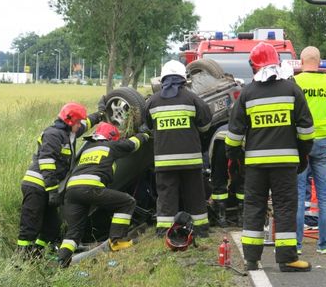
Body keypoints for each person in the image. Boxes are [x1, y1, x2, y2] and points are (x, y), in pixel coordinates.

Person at [225, 42, 314, 272]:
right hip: (285, 164)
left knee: (254, 207)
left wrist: (238, 160)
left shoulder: (246, 94)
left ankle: (251, 260)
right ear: (276, 63)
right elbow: (306, 130)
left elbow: (233, 136)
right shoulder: (292, 90)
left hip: (255, 166)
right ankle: (287, 259)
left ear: (254, 66)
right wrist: (302, 156)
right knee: (285, 207)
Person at [16, 100, 105, 259]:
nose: (80, 125)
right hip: (36, 185)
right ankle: (21, 257)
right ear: (70, 122)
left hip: (47, 188)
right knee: (30, 224)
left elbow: (86, 123)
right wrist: (52, 191)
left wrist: (99, 114)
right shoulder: (53, 134)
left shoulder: (69, 133)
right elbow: (47, 161)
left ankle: (36, 254)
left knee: (52, 227)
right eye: (78, 122)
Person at [56, 122, 149, 267]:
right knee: (127, 202)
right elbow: (132, 145)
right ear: (110, 137)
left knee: (74, 232)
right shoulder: (110, 146)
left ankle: (62, 261)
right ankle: (117, 241)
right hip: (90, 188)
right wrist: (144, 134)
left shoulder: (87, 151)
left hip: (71, 192)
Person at [145, 60, 213, 238]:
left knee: (166, 197)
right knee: (195, 195)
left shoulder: (152, 102)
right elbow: (206, 124)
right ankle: (200, 230)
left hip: (164, 162)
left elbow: (148, 126)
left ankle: (165, 232)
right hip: (191, 161)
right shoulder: (192, 99)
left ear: (163, 79)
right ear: (183, 79)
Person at [294, 46, 326, 255]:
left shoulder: (295, 82)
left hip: (300, 143)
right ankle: (325, 245)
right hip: (324, 142)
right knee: (324, 194)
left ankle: (296, 245)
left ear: (301, 60)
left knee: (297, 194)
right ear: (319, 61)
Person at [209, 126, 245, 227]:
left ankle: (221, 217)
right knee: (243, 178)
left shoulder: (220, 125)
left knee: (219, 177)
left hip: (219, 138)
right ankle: (242, 217)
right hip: (241, 139)